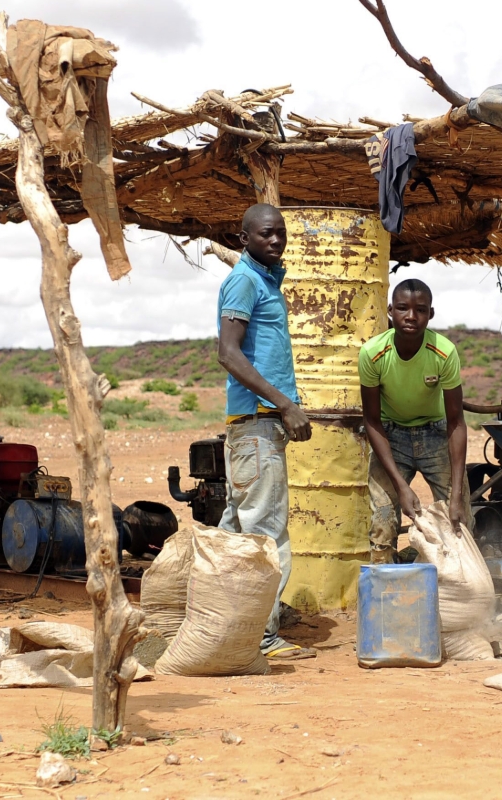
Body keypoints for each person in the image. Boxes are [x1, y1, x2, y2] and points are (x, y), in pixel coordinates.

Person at [216, 203, 315, 661]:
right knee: (268, 537)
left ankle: (221, 625)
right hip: (258, 423)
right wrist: (284, 404)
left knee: (235, 535)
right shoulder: (245, 280)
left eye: (281, 234)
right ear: (244, 239)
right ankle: (263, 637)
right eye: (266, 235)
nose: (275, 241)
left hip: (255, 428)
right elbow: (229, 354)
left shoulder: (265, 281)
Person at [359, 279, 471, 564]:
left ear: (430, 314)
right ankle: (385, 599)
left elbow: (456, 422)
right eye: (402, 308)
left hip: (436, 435)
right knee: (382, 523)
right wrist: (400, 485)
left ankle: (453, 599)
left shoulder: (444, 352)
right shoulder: (373, 353)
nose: (411, 316)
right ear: (390, 311)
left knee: (459, 521)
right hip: (391, 437)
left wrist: (456, 496)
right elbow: (372, 421)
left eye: (420, 310)